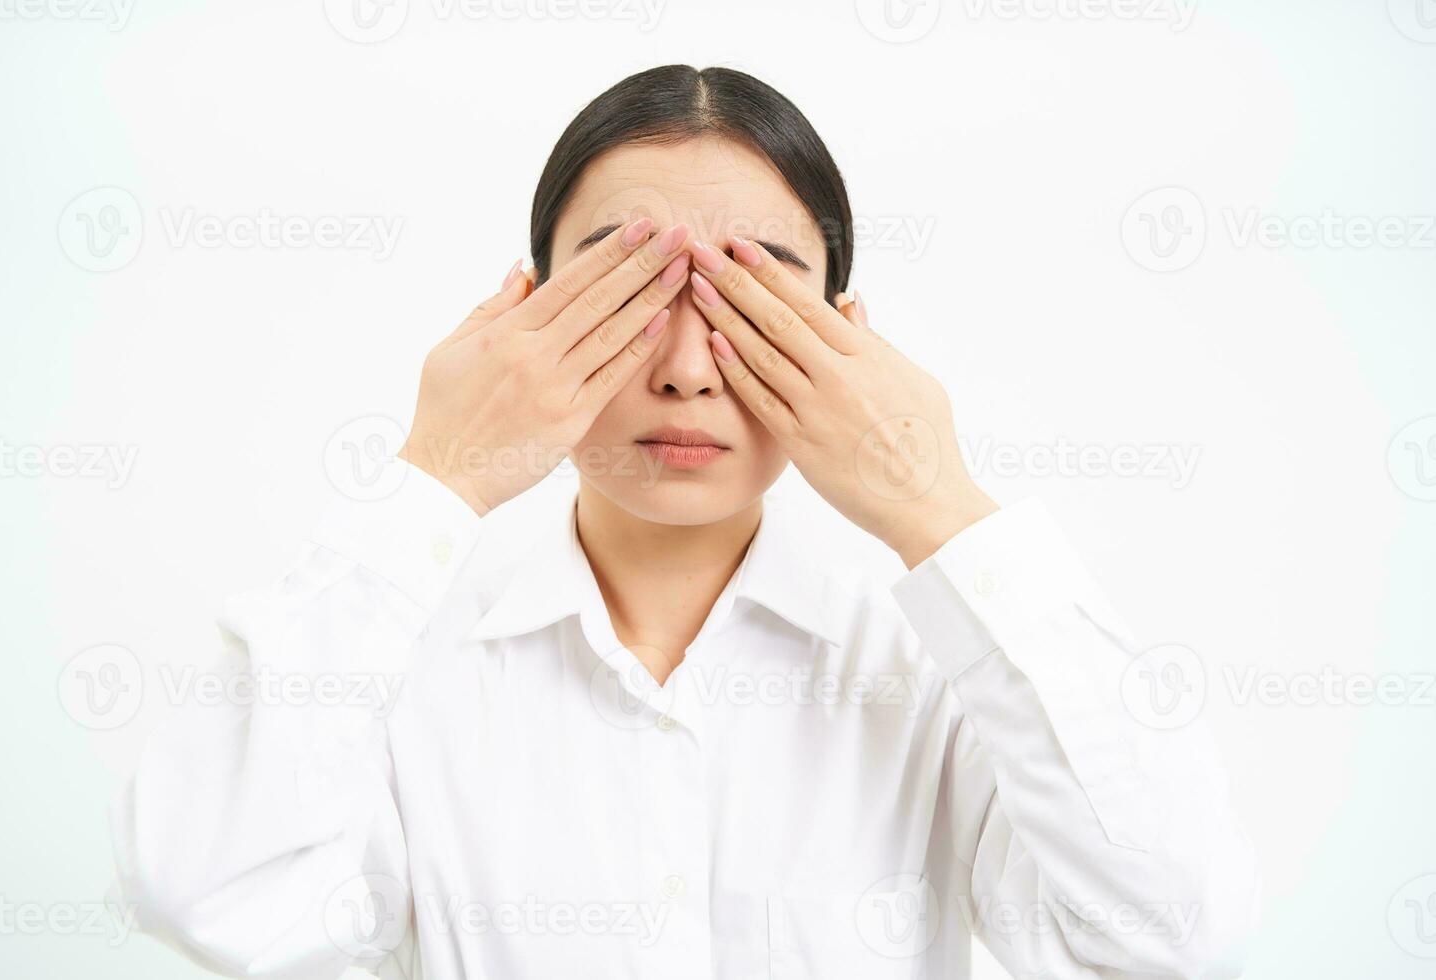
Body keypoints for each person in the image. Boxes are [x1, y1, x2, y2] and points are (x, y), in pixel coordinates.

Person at [109, 64, 1257, 979]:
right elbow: (205, 887)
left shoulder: (944, 662)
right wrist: (437, 473)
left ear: (846, 334)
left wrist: (935, 502)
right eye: (626, 295)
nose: (689, 369)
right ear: (527, 311)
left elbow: (1170, 929)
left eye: (752, 301)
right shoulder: (398, 654)